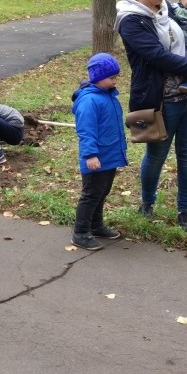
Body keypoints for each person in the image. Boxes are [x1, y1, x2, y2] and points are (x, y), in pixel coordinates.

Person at [115, 0, 187, 231]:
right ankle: (147, 203)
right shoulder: (131, 20)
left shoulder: (166, 9)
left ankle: (184, 211)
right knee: (156, 155)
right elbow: (157, 56)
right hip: (162, 101)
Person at [69, 53, 128, 250]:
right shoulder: (89, 101)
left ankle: (95, 225)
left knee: (102, 192)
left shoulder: (108, 95)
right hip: (96, 158)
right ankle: (80, 233)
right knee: (91, 195)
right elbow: (86, 131)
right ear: (98, 77)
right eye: (111, 77)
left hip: (109, 156)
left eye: (115, 77)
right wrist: (90, 155)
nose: (115, 81)